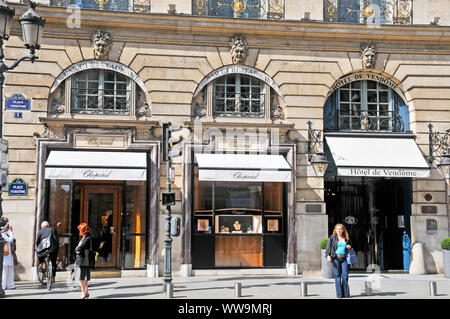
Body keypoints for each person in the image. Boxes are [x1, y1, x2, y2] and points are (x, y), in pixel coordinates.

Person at [326, 223, 353, 298]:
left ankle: (346, 294)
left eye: (340, 229)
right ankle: (340, 295)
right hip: (336, 258)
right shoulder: (332, 237)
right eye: (337, 229)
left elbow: (351, 247)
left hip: (345, 258)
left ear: (343, 230)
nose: (339, 230)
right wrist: (328, 255)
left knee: (345, 276)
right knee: (337, 276)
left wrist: (349, 246)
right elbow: (328, 247)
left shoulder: (346, 238)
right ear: (335, 230)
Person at [74, 223, 93, 299]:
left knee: (81, 278)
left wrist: (77, 250)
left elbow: (80, 247)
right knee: (84, 277)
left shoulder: (87, 238)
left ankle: (83, 292)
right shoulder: (85, 237)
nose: (79, 231)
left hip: (83, 259)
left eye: (80, 230)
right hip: (84, 259)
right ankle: (86, 292)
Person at [1, 217, 16, 290]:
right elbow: (10, 240)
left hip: (8, 254)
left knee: (10, 270)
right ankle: (3, 285)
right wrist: (12, 232)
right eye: (7, 226)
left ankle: (10, 285)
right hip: (4, 255)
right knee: (4, 271)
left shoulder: (5, 233)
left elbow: (12, 240)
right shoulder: (2, 233)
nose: (8, 227)